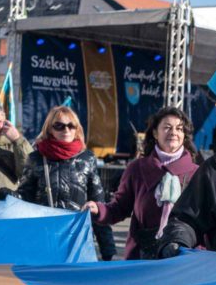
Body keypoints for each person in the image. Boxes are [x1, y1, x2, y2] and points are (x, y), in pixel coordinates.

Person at [84, 107, 199, 260]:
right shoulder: (137, 169)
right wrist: (98, 209)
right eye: (167, 127)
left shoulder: (197, 173)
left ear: (184, 135)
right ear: (155, 133)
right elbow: (119, 207)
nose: (173, 132)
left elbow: (205, 219)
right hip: (143, 257)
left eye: (179, 128)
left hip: (185, 259)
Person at [9, 106, 115, 261]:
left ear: (77, 129)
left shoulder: (87, 159)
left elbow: (97, 204)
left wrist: (107, 248)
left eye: (71, 125)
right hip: (44, 239)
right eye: (59, 125)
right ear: (49, 129)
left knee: (75, 283)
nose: (66, 129)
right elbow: (25, 197)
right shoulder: (36, 158)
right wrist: (11, 195)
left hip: (76, 240)